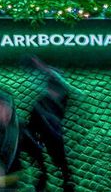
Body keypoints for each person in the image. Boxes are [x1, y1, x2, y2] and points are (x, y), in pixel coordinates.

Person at [26, 59, 74, 192]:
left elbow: (56, 74)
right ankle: (45, 175)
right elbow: (32, 122)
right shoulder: (43, 103)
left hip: (53, 135)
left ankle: (65, 179)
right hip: (44, 134)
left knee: (59, 158)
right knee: (41, 156)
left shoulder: (56, 102)